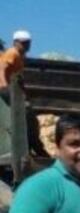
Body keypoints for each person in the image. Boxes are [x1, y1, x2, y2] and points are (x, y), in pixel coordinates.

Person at [0, 30, 50, 158]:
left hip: (13, 89)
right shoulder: (13, 53)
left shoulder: (20, 56)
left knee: (27, 117)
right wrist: (4, 87)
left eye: (28, 43)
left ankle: (32, 147)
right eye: (23, 43)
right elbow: (2, 68)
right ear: (16, 42)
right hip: (5, 89)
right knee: (26, 114)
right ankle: (34, 147)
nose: (26, 45)